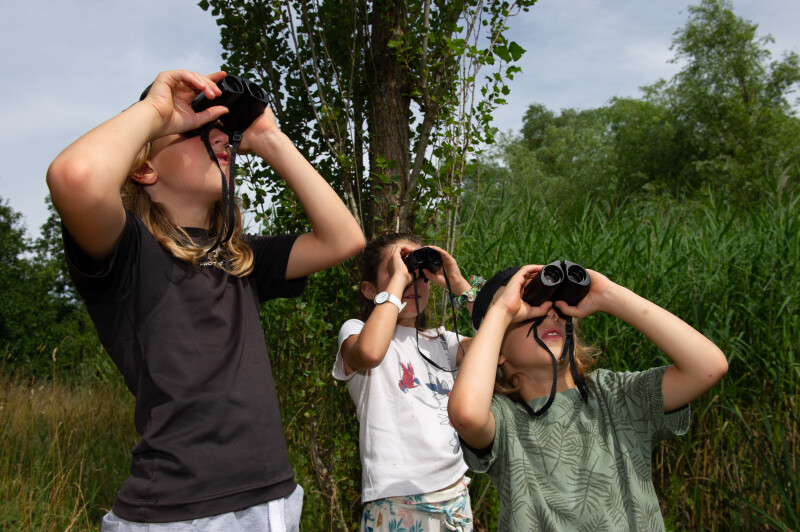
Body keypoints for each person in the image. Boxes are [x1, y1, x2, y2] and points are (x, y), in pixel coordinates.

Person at [46, 69, 365, 530]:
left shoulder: (242, 257)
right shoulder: (131, 253)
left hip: (271, 500)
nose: (218, 136)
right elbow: (75, 178)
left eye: (223, 130)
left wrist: (270, 140)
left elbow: (345, 239)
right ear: (144, 168)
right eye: (194, 130)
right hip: (177, 511)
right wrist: (156, 112)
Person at [448, 264, 728, 531]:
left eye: (557, 306)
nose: (550, 314)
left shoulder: (616, 396)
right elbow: (466, 415)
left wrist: (608, 294)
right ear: (496, 349)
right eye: (528, 310)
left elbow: (707, 368)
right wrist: (502, 310)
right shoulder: (504, 418)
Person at [333, 232, 483, 531]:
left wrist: (458, 283)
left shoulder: (442, 341)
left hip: (455, 498)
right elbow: (370, 353)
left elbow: (501, 348)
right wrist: (399, 280)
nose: (412, 281)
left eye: (421, 276)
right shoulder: (356, 331)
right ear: (369, 289)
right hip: (396, 501)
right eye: (397, 271)